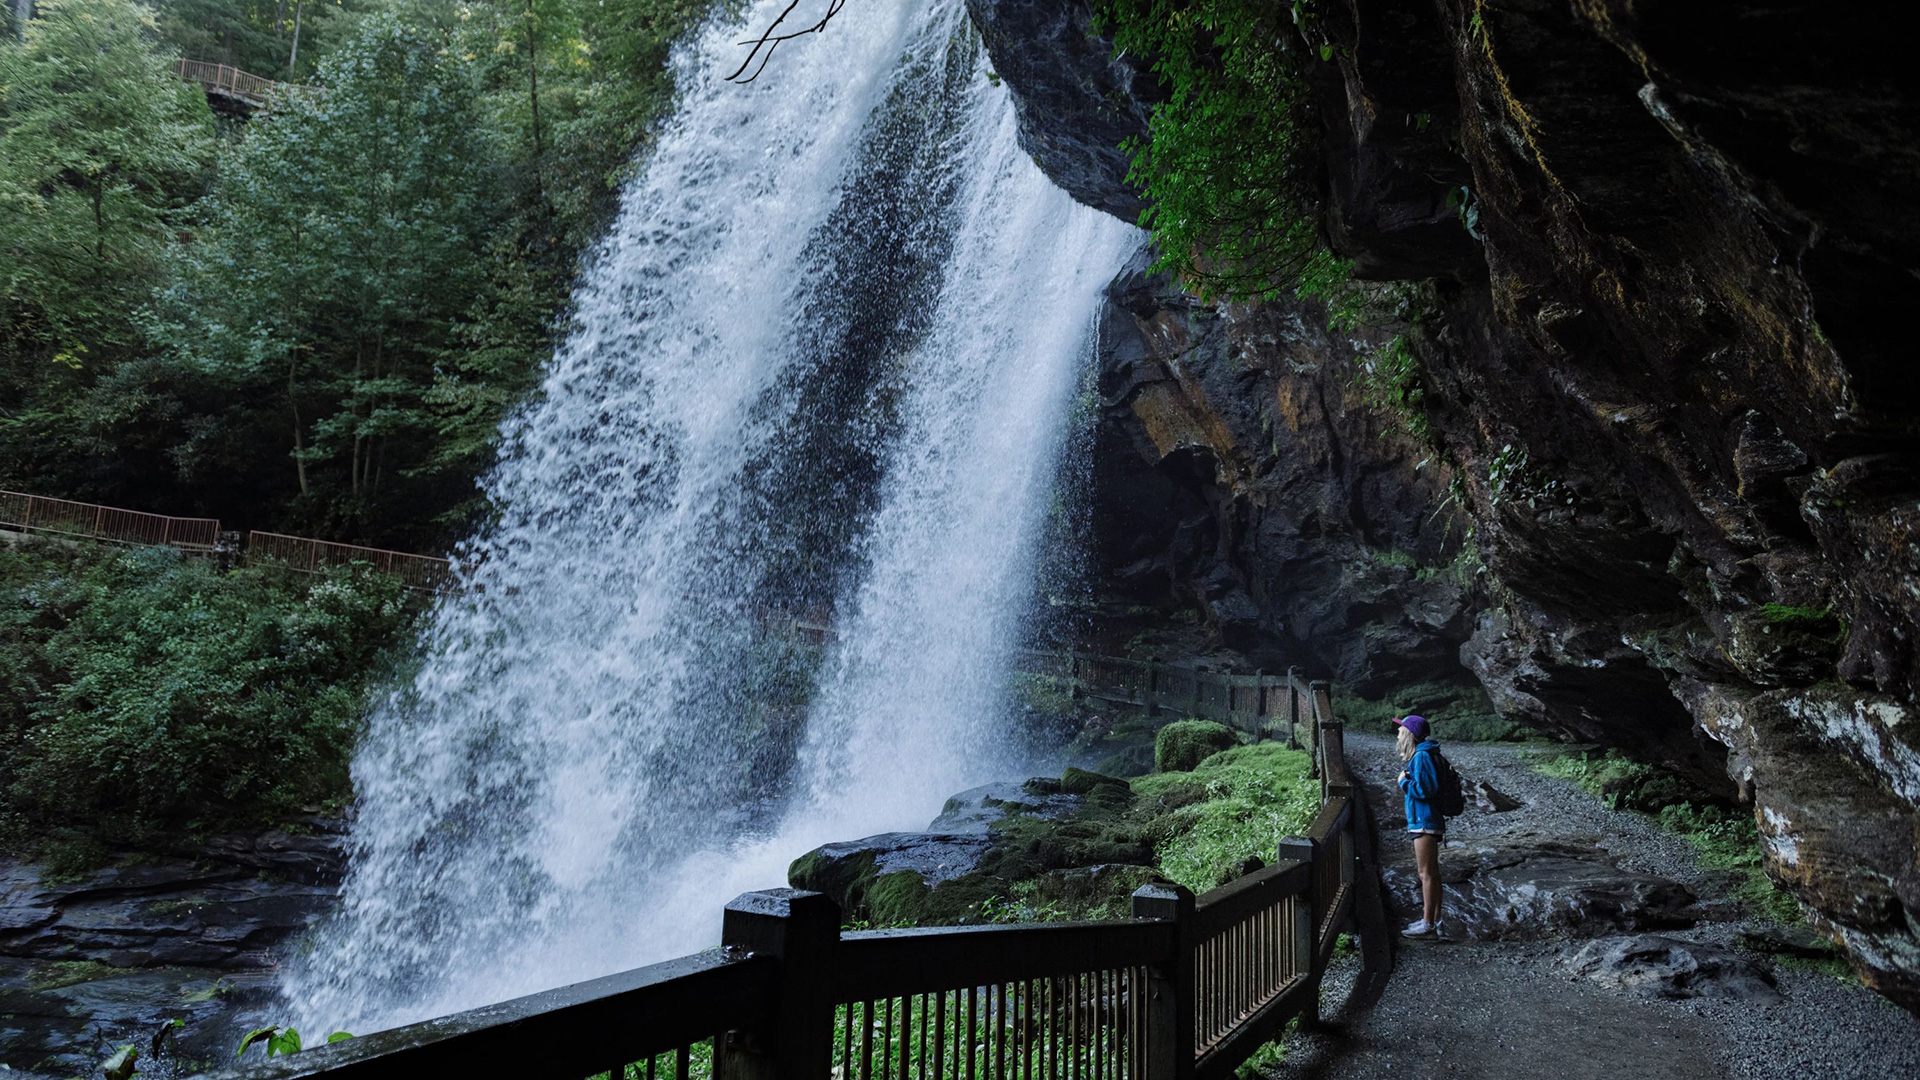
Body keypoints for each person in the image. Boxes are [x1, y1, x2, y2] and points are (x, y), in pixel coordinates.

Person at [1395, 714, 1444, 936]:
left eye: (1401, 729)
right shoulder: (1424, 754)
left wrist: (1404, 782)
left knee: (1426, 873)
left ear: (1409, 734)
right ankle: (1435, 919)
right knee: (1431, 873)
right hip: (1426, 820)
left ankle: (1427, 923)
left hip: (1424, 821)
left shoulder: (1422, 756)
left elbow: (1426, 790)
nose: (1398, 733)